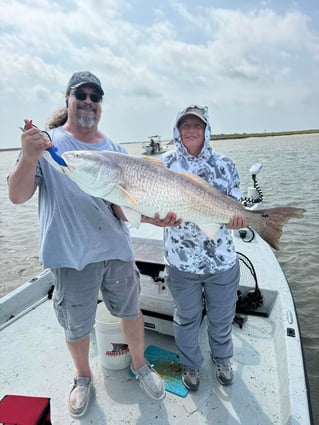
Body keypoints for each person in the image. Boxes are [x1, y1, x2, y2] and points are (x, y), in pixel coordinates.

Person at [7, 71, 181, 418]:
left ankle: (140, 364)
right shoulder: (47, 144)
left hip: (116, 249)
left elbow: (121, 205)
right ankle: (83, 377)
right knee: (76, 324)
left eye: (95, 97)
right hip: (71, 256)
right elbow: (17, 195)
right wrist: (28, 157)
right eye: (81, 95)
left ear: (101, 104)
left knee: (130, 312)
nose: (88, 102)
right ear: (67, 99)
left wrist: (152, 218)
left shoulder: (114, 149)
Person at [161, 105, 247, 391]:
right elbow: (151, 202)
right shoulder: (165, 165)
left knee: (222, 319)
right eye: (185, 125)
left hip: (221, 262)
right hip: (181, 263)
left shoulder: (225, 164)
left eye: (197, 125)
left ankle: (222, 359)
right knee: (186, 320)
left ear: (206, 129)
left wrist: (237, 218)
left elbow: (236, 203)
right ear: (177, 131)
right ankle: (191, 365)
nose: (191, 131)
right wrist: (160, 218)